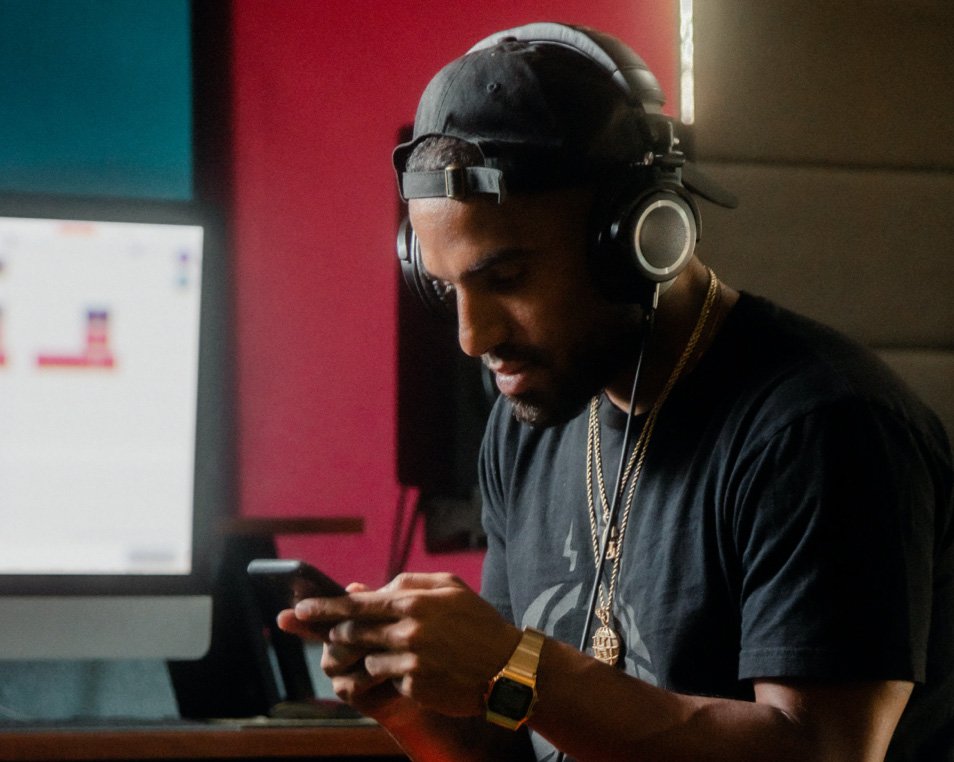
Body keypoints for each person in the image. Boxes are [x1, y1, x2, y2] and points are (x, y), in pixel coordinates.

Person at [278, 22, 954, 761]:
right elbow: (513, 732)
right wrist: (416, 711)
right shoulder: (522, 427)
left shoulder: (821, 427)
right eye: (446, 289)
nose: (473, 337)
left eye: (507, 279)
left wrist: (510, 662)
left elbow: (822, 751)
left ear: (640, 238)